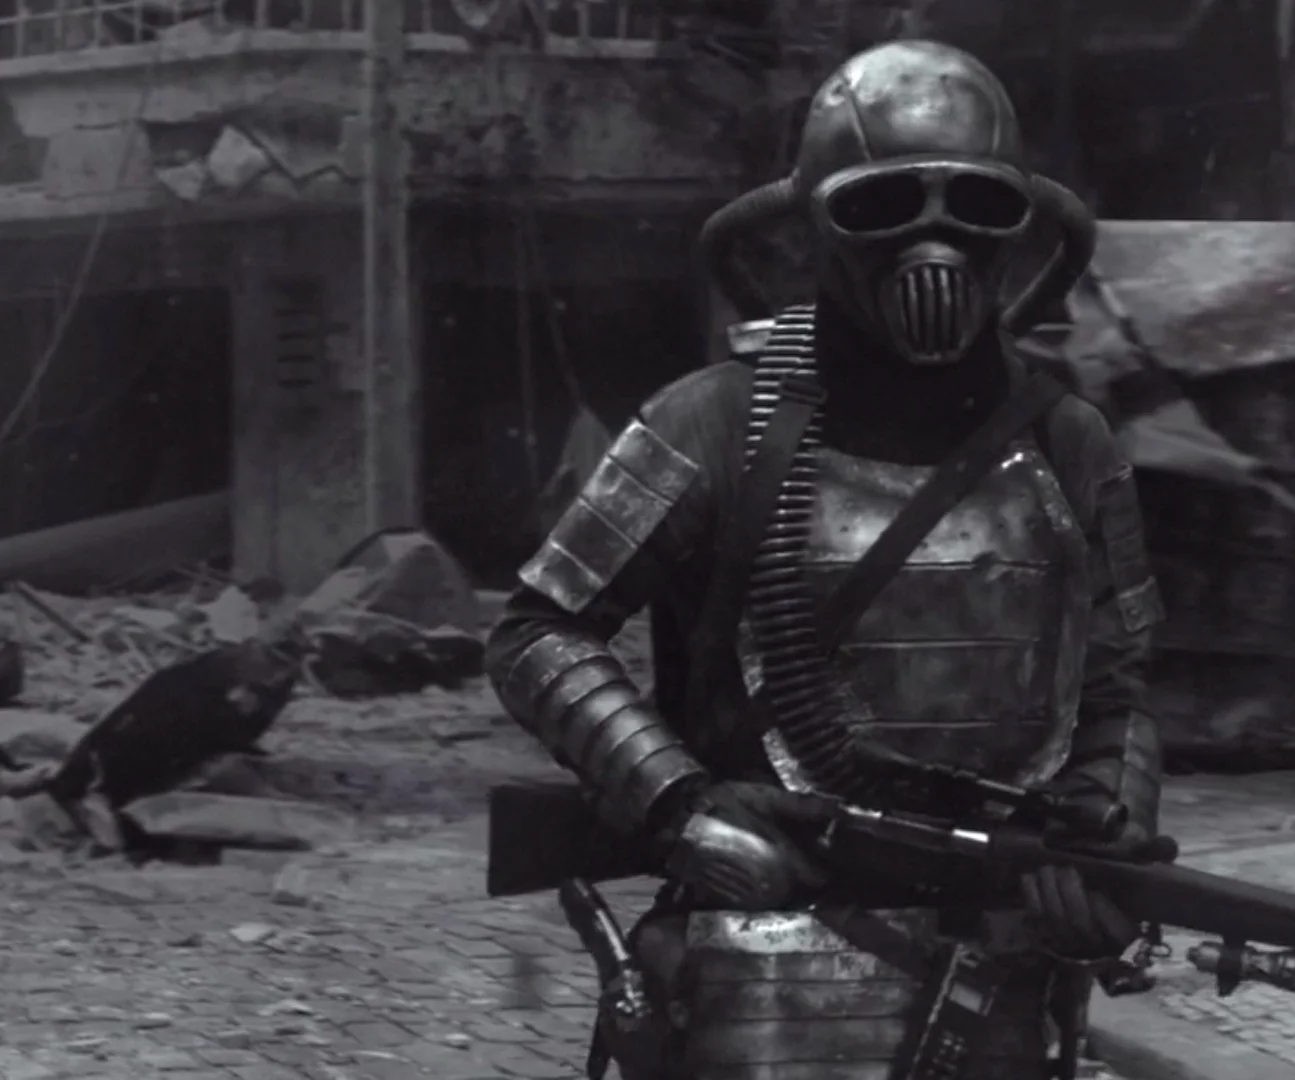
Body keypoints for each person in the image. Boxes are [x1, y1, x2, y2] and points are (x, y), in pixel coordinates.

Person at [485, 38, 1163, 1080]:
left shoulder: (1068, 443)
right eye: (882, 206)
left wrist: (1104, 841)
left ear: (1019, 222)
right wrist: (679, 806)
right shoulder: (714, 424)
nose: (934, 245)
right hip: (761, 960)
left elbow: (1116, 687)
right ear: (813, 223)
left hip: (995, 966)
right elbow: (539, 632)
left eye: (976, 206)